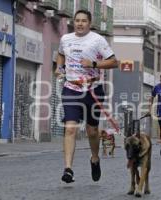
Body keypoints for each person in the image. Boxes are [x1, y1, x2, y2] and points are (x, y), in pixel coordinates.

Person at [55, 10, 118, 183]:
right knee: (70, 128)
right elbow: (60, 54)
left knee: (91, 131)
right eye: (77, 21)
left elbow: (114, 62)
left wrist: (94, 64)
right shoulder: (65, 39)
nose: (80, 24)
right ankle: (68, 169)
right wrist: (59, 68)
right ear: (73, 22)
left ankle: (95, 158)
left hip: (93, 90)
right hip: (71, 88)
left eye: (83, 21)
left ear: (89, 23)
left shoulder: (97, 40)